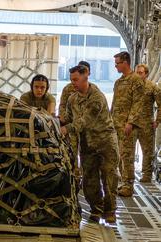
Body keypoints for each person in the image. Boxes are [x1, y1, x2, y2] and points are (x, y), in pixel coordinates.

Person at [61, 65, 119, 224]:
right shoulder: (72, 99)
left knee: (109, 177)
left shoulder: (97, 97)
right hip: (87, 145)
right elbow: (67, 118)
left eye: (75, 79)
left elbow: (84, 121)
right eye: (71, 79)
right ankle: (96, 209)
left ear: (85, 76)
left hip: (105, 143)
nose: (73, 83)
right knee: (89, 180)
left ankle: (110, 210)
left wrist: (67, 129)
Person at [111, 51, 144, 197]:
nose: (115, 66)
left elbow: (138, 103)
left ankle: (128, 186)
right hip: (116, 124)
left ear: (125, 62)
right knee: (119, 155)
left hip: (127, 126)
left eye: (117, 63)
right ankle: (122, 183)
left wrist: (131, 122)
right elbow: (115, 103)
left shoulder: (136, 80)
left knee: (127, 156)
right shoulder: (118, 82)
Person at [134, 64, 161, 182]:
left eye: (140, 73)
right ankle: (127, 175)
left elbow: (160, 104)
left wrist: (157, 120)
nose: (138, 75)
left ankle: (147, 174)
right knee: (127, 151)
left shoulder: (152, 87)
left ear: (146, 74)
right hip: (132, 123)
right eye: (137, 72)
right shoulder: (131, 86)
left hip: (146, 124)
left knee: (147, 151)